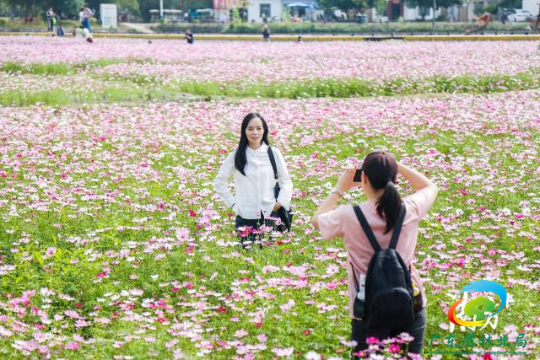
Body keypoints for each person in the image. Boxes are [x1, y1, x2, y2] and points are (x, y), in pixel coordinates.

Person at [311, 151, 438, 356]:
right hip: (410, 303)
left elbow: (317, 220)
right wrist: (397, 164)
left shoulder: (348, 215)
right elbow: (429, 186)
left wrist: (339, 189)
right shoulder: (411, 208)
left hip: (367, 309)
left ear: (364, 178)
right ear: (395, 178)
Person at [214, 113, 293, 249]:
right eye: (250, 129)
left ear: (264, 130)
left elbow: (286, 181)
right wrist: (233, 204)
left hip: (270, 214)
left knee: (270, 259)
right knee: (247, 258)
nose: (255, 132)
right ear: (244, 131)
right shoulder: (237, 154)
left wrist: (280, 203)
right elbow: (219, 182)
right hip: (246, 215)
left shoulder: (273, 153)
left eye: (259, 128)